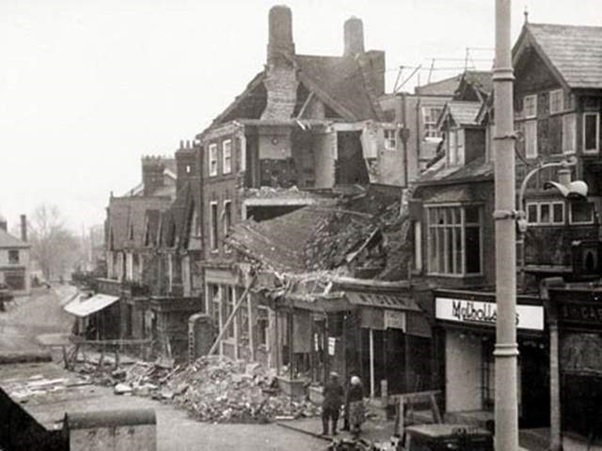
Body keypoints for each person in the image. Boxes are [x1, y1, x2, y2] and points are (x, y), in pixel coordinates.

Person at [322, 372, 344, 436]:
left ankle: (325, 431)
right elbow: (342, 394)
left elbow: (323, 393)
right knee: (335, 418)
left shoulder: (327, 384)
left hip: (327, 403)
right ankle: (333, 431)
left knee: (325, 417)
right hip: (335, 404)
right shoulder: (339, 385)